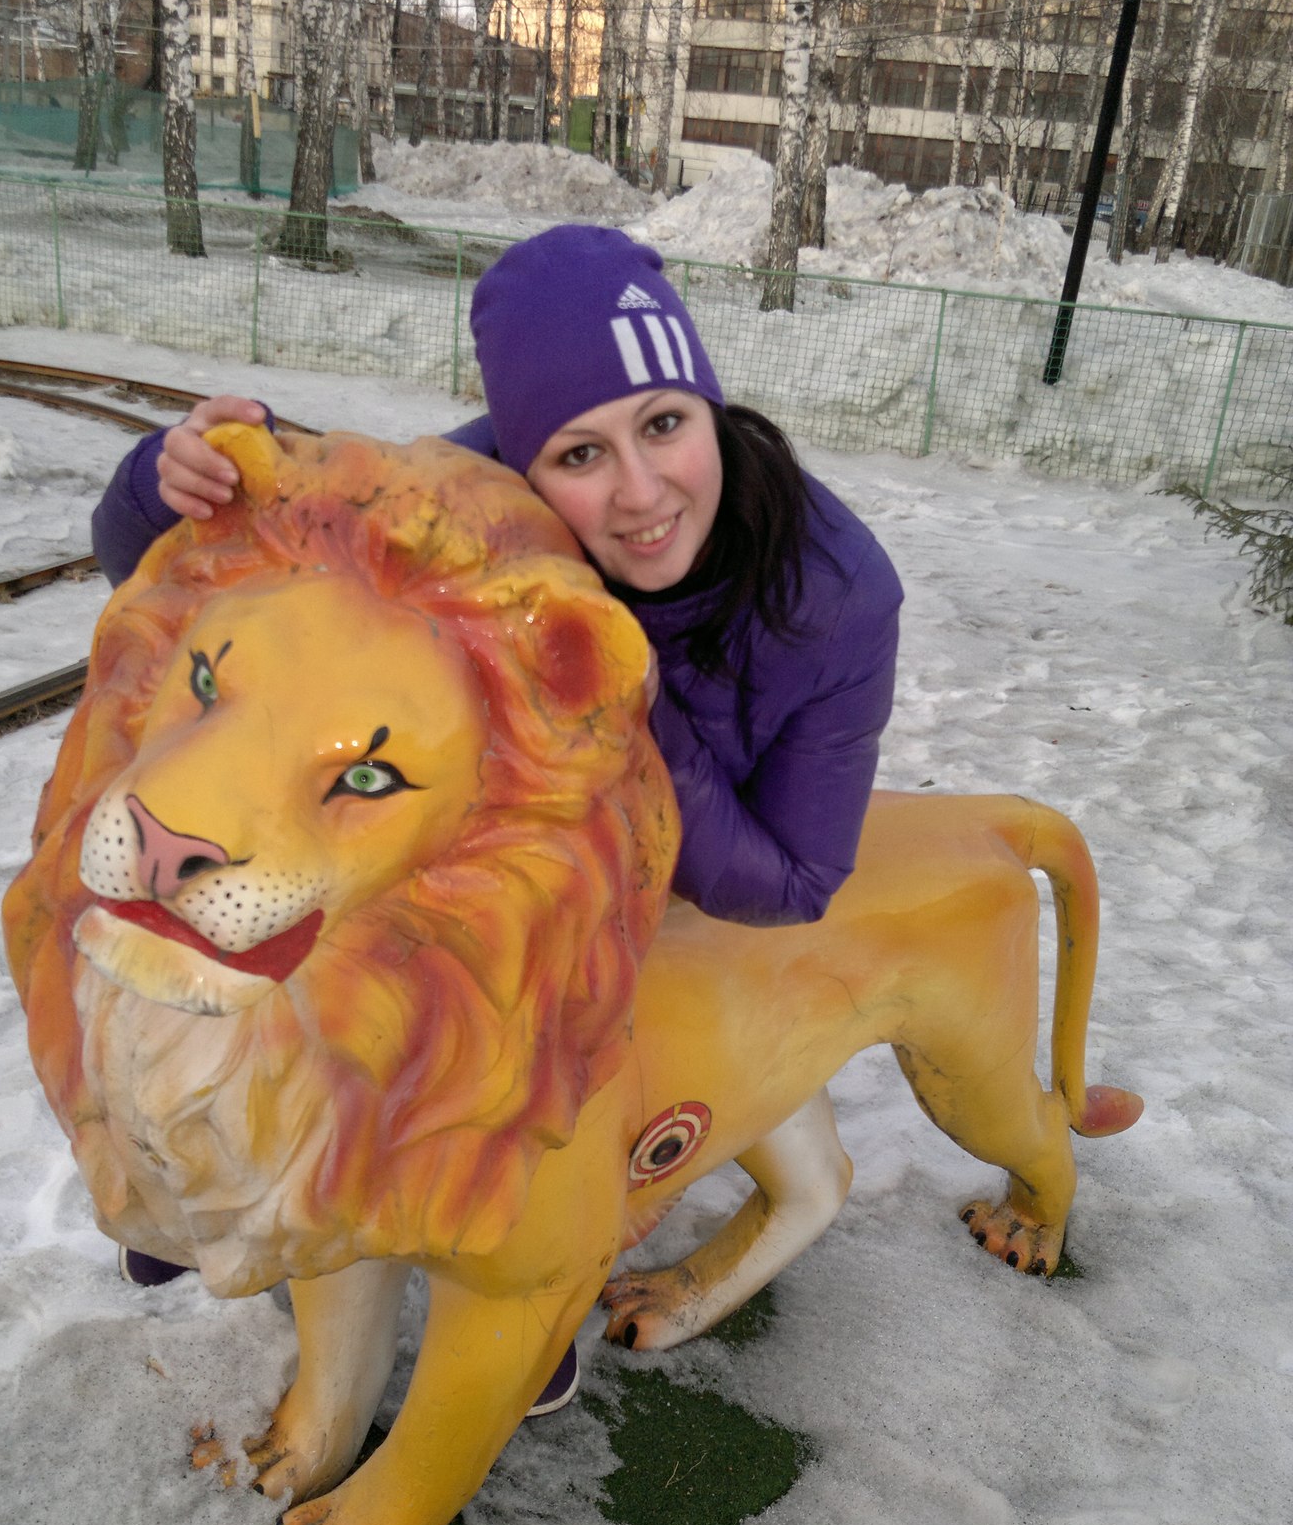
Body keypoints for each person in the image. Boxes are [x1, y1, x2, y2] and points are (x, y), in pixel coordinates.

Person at [89, 225, 903, 1412]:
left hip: (683, 887)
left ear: (711, 407)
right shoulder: (472, 497)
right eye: (581, 453)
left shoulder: (835, 595)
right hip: (467, 848)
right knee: (280, 937)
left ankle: (534, 1285)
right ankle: (205, 1186)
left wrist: (624, 712)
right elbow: (209, 572)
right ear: (524, 460)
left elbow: (796, 878)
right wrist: (160, 483)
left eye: (665, 424)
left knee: (540, 1008)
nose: (640, 491)